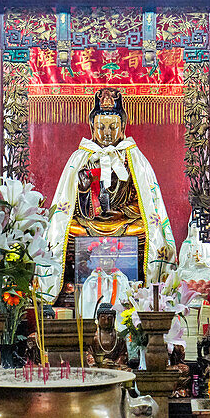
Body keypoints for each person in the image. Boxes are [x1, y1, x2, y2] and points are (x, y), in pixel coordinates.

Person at [41, 88, 175, 298]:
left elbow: (142, 202)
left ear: (122, 128)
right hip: (89, 222)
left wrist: (123, 214)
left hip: (123, 221)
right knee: (71, 229)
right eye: (101, 127)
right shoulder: (81, 157)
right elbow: (69, 205)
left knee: (142, 229)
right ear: (92, 129)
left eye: (112, 127)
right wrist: (84, 189)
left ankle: (143, 287)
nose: (106, 133)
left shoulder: (133, 158)